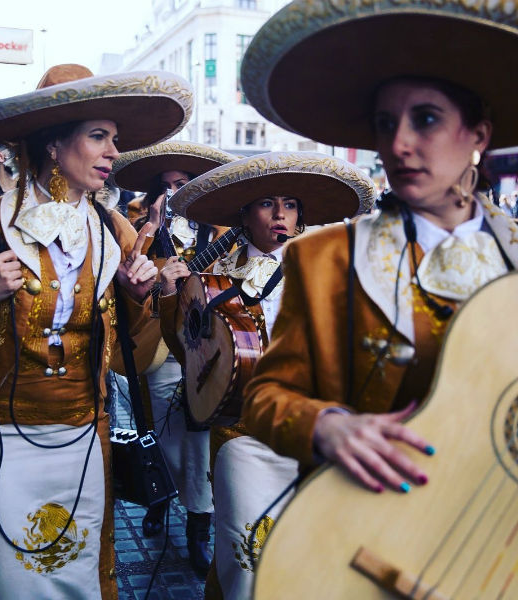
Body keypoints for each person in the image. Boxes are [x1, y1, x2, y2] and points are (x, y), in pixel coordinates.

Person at [0, 63, 192, 599]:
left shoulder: (115, 230)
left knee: (82, 578)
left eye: (114, 139)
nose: (114, 152)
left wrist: (141, 298)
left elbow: (127, 354)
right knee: (13, 585)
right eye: (98, 136)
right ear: (52, 144)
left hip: (85, 437)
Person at [240, 1, 518, 496]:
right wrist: (326, 425)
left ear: (478, 134)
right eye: (386, 124)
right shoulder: (325, 258)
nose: (399, 144)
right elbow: (264, 396)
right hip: (367, 518)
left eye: (426, 119)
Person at [160, 151, 376, 598]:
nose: (281, 215)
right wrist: (169, 298)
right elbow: (189, 349)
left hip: (312, 434)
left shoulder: (331, 267)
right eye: (267, 203)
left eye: (291, 204)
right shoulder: (214, 274)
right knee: (248, 553)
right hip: (243, 435)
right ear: (245, 213)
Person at [112, 141, 237, 573]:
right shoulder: (134, 226)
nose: (172, 193)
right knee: (162, 429)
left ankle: (199, 525)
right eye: (163, 186)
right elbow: (124, 283)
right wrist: (150, 225)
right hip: (157, 346)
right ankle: (159, 497)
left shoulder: (220, 233)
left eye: (181, 184)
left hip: (204, 344)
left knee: (200, 437)